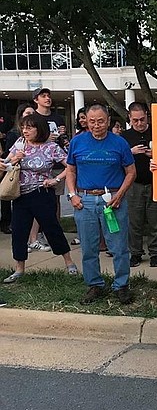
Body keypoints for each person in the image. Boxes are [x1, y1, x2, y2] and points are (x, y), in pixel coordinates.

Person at [66, 104, 136, 305]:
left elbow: (131, 172)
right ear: (85, 121)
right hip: (85, 200)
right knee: (88, 246)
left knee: (119, 246)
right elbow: (71, 170)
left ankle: (121, 285)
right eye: (92, 121)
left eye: (101, 121)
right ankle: (94, 284)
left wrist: (120, 194)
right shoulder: (77, 142)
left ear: (108, 121)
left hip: (112, 200)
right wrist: (72, 195)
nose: (96, 125)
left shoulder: (119, 143)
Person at [1, 113, 78, 283]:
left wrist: (56, 179)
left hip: (42, 194)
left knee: (52, 228)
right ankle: (19, 269)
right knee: (19, 232)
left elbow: (70, 166)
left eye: (29, 127)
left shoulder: (51, 147)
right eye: (23, 127)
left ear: (39, 129)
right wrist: (13, 160)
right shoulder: (20, 144)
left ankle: (69, 262)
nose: (25, 130)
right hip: (21, 195)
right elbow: (5, 165)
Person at [122, 102, 157, 268]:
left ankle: (156, 253)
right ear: (130, 119)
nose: (139, 123)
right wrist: (130, 152)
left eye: (142, 119)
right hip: (133, 184)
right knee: (134, 221)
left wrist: (155, 154)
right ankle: (135, 253)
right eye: (135, 120)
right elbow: (118, 160)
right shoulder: (124, 137)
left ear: (147, 116)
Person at [1, 103, 34, 234]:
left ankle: (34, 237)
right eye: (28, 114)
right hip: (15, 178)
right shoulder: (16, 137)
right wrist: (14, 160)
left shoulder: (45, 143)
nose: (31, 117)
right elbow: (7, 160)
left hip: (35, 186)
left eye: (33, 114)